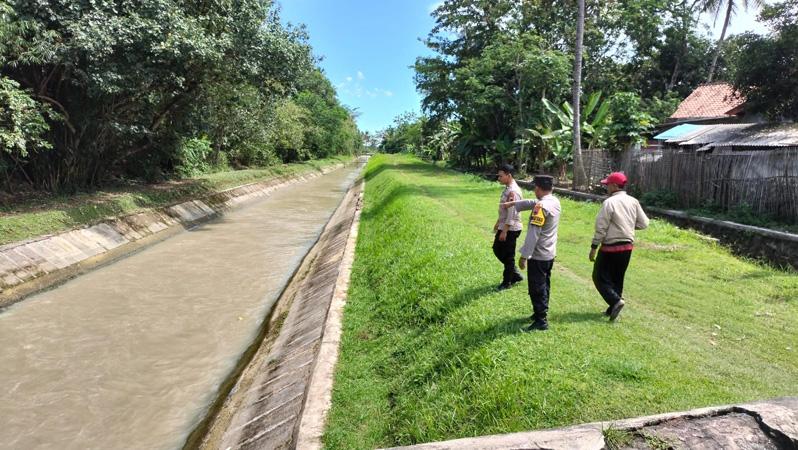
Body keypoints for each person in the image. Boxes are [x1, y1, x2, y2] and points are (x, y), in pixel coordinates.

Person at [503, 175, 561, 331]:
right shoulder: (554, 201)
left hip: (538, 255)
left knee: (536, 287)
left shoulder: (541, 207)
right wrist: (514, 203)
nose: (534, 190)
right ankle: (539, 313)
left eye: (535, 187)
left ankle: (541, 320)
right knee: (544, 284)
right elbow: (532, 202)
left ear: (538, 188)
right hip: (549, 253)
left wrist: (524, 256)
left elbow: (533, 234)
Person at [589, 172, 649, 321]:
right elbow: (644, 223)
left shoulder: (610, 202)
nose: (606, 187)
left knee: (599, 276)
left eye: (607, 184)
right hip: (627, 247)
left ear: (615, 186)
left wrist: (594, 246)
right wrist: (627, 226)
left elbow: (601, 227)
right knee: (617, 278)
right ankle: (612, 309)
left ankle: (615, 301)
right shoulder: (633, 201)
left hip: (610, 246)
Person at [493, 164, 524, 290]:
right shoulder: (508, 188)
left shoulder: (513, 191)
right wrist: (498, 222)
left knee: (508, 255)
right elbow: (504, 210)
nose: (498, 178)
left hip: (511, 228)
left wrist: (504, 231)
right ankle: (515, 274)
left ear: (508, 175)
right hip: (504, 224)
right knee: (497, 249)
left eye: (501, 176)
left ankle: (507, 282)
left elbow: (512, 213)